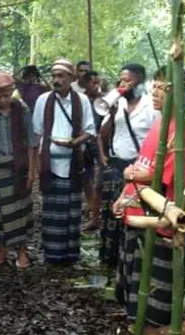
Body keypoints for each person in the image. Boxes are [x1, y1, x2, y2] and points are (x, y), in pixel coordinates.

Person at [113, 82, 185, 326]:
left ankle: (153, 331)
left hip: (161, 216)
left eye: (165, 89)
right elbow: (143, 163)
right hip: (138, 208)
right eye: (155, 88)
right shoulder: (159, 123)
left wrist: (131, 175)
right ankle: (134, 323)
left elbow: (158, 175)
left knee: (156, 282)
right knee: (134, 276)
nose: (156, 93)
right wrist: (124, 196)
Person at [32, 59, 96, 264]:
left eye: (61, 76)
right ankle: (52, 255)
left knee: (72, 212)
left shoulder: (82, 101)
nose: (56, 80)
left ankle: (70, 255)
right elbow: (37, 132)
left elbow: (90, 130)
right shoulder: (43, 100)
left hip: (73, 164)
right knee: (52, 213)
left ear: (71, 78)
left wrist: (75, 142)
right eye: (54, 76)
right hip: (50, 165)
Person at [98, 63, 159, 266]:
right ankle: (109, 257)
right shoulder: (118, 104)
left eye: (128, 80)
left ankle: (129, 258)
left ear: (140, 82)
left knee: (131, 213)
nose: (123, 84)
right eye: (121, 79)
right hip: (116, 165)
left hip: (138, 169)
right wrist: (112, 111)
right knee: (110, 212)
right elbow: (104, 134)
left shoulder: (151, 106)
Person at [0, 72, 36, 269]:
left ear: (11, 92)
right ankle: (0, 249)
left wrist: (31, 172)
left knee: (19, 212)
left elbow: (31, 142)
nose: (2, 100)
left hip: (16, 168)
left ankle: (21, 251)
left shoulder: (22, 110)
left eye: (6, 95)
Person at [80, 70, 103, 231]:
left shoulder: (104, 100)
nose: (96, 86)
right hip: (84, 142)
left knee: (100, 180)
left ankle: (97, 213)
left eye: (98, 83)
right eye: (93, 83)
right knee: (86, 177)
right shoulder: (80, 100)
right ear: (86, 84)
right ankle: (90, 206)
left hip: (100, 144)